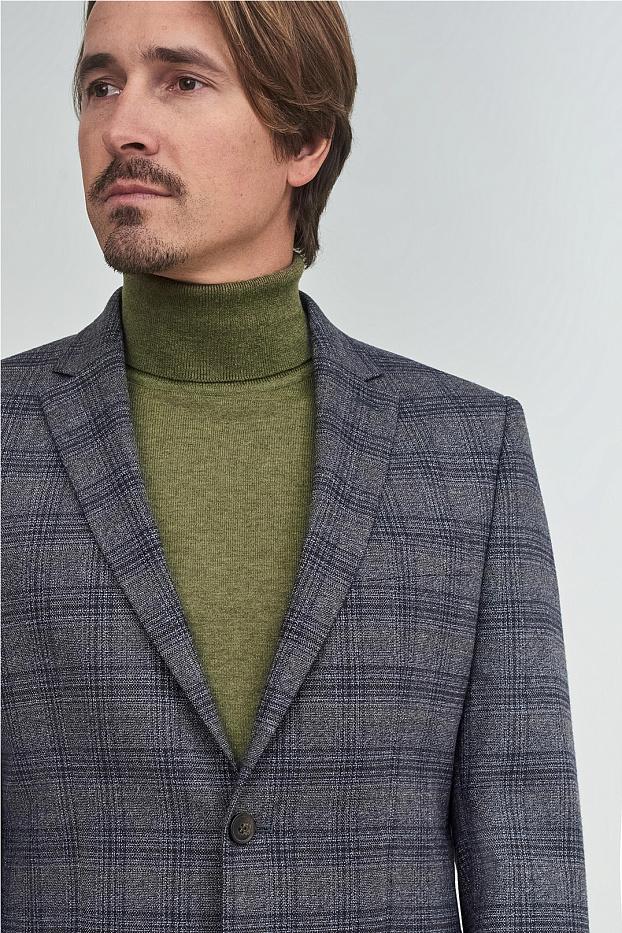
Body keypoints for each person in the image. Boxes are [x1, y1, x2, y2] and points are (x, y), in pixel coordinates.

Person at [1, 2, 590, 930]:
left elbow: (530, 873)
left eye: (181, 81)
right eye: (100, 85)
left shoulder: (469, 455)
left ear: (305, 139)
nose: (122, 126)